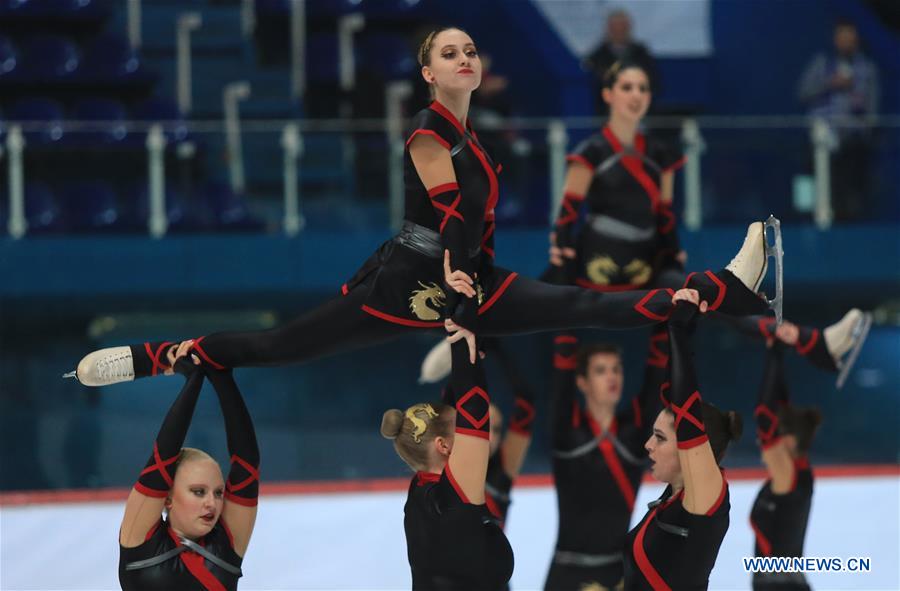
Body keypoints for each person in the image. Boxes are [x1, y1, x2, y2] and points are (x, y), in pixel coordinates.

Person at [71, 27, 770, 388]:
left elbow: (469, 223)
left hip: (468, 276)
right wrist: (460, 274)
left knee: (587, 305)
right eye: (449, 52)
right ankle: (155, 355)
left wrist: (468, 277)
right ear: (429, 72)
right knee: (276, 348)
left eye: (469, 50)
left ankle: (726, 290)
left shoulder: (474, 135)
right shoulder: (427, 131)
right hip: (415, 276)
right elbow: (450, 210)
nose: (464, 58)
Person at [118, 342, 260, 591]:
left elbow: (247, 464)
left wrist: (221, 376)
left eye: (218, 493)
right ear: (168, 498)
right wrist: (193, 380)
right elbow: (162, 458)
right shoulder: (139, 542)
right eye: (198, 491)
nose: (212, 503)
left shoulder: (227, 546)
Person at [623, 291, 741, 590]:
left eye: (660, 438)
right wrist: (680, 326)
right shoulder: (672, 497)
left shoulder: (706, 497)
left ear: (693, 449)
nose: (648, 445)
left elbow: (686, 405)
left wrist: (679, 332)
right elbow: (672, 392)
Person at [381, 338, 514, 589]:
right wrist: (466, 337)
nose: (469, 436)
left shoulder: (420, 487)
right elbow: (474, 406)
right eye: (461, 431)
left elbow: (455, 404)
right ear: (443, 446)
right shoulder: (456, 492)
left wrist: (464, 345)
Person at [544, 330, 665, 591]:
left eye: (616, 369)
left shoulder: (635, 433)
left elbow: (658, 366)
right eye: (600, 371)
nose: (612, 377)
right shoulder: (569, 431)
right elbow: (563, 362)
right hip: (568, 573)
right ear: (582, 382)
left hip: (618, 573)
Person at [749, 331, 821, 591]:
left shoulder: (789, 478)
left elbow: (764, 417)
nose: (763, 442)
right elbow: (775, 411)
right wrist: (775, 353)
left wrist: (775, 354)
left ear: (789, 442)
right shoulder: (797, 471)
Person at [797, 19, 880, 222]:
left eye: (850, 38)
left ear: (856, 40)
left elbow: (872, 109)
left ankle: (849, 224)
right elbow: (803, 92)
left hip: (852, 142)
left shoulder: (866, 69)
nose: (846, 42)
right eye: (842, 37)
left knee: (849, 194)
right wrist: (829, 83)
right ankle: (809, 219)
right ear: (836, 39)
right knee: (813, 187)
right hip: (820, 141)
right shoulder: (822, 64)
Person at [583, 9, 659, 115]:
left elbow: (653, 81)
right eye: (615, 27)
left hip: (639, 109)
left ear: (629, 28)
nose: (619, 31)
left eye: (622, 27)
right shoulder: (597, 56)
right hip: (607, 111)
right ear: (608, 29)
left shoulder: (641, 53)